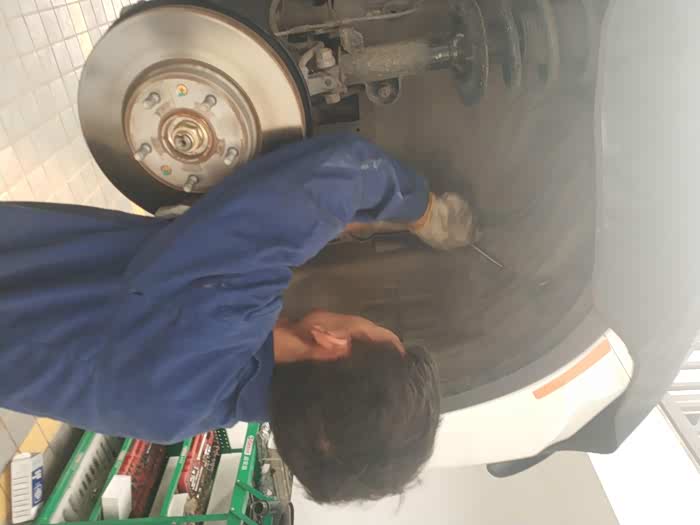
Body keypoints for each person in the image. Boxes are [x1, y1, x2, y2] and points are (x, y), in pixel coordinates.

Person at [0, 134, 477, 503]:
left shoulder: (219, 312)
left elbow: (341, 174)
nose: (364, 318)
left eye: (376, 329)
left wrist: (422, 210)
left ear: (331, 341)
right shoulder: (179, 418)